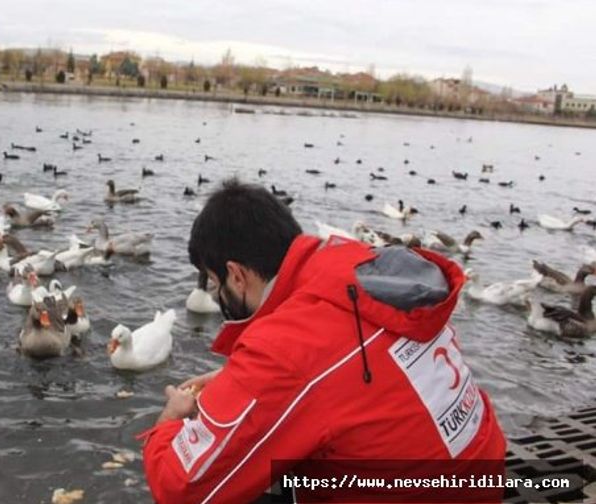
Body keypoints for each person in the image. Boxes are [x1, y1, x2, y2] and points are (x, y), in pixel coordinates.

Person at [140, 180, 506, 503]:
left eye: (216, 284)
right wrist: (233, 381)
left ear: (236, 275)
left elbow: (181, 491)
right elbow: (349, 369)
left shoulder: (287, 347)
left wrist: (169, 422)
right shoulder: (360, 268)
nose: (218, 294)